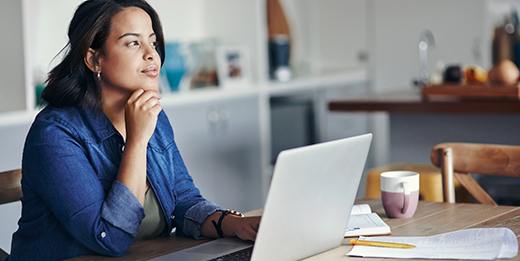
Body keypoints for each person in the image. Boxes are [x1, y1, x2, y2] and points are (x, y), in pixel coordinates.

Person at [3, 0, 260, 260]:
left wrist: (233, 223)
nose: (151, 54)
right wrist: (137, 141)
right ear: (94, 59)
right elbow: (108, 238)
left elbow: (184, 202)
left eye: (153, 42)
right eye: (133, 42)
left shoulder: (151, 115)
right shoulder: (55, 134)